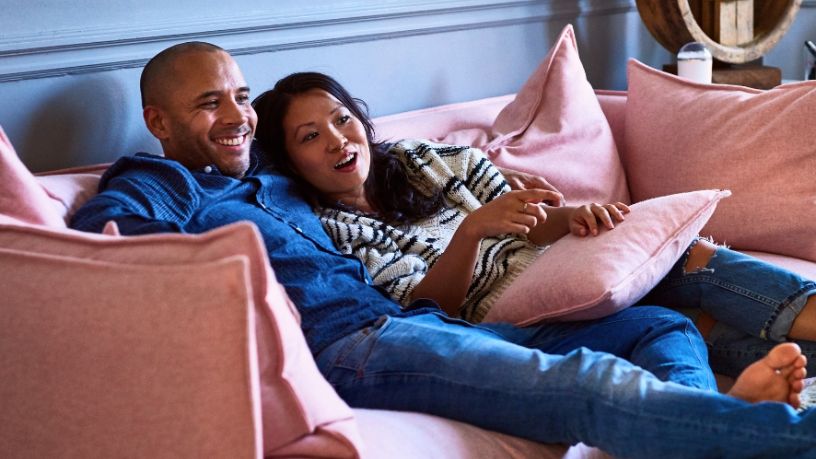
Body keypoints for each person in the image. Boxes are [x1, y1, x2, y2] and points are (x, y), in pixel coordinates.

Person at [69, 42, 816, 458]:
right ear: (158, 121)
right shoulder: (160, 179)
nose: (236, 115)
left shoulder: (271, 175)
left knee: (658, 327)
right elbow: (108, 243)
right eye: (210, 103)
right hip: (347, 346)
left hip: (422, 324)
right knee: (583, 384)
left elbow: (369, 164)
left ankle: (706, 423)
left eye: (239, 95)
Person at [251, 71, 816, 378]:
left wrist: (574, 217)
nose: (337, 140)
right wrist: (473, 232)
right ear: (290, 161)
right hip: (503, 312)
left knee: (689, 263)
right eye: (310, 137)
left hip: (556, 266)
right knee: (665, 318)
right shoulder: (328, 230)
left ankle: (761, 390)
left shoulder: (422, 160)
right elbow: (426, 308)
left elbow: (533, 224)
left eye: (341, 118)